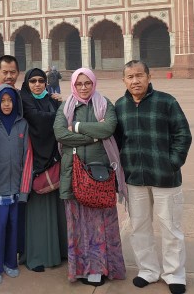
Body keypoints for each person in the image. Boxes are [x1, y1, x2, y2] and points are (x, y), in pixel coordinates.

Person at [114, 60, 192, 294]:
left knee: (170, 226)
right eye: (130, 77)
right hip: (134, 177)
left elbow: (183, 134)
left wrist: (173, 162)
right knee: (139, 226)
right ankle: (147, 270)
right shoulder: (119, 106)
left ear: (149, 77)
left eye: (139, 75)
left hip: (164, 176)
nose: (135, 81)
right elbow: (116, 140)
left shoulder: (166, 102)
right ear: (124, 81)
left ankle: (174, 273)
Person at [54, 67, 127, 286]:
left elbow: (108, 129)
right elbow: (60, 134)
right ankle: (80, 268)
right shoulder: (66, 107)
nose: (84, 87)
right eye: (79, 84)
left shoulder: (104, 104)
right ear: (73, 85)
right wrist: (91, 138)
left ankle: (99, 268)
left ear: (93, 83)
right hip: (73, 172)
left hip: (99, 174)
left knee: (100, 222)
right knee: (78, 223)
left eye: (87, 83)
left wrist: (76, 126)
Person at [19, 68, 67, 273]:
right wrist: (58, 111)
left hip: (53, 161)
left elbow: (61, 121)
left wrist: (60, 105)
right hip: (34, 163)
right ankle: (37, 255)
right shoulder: (24, 101)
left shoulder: (51, 100)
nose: (38, 84)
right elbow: (38, 120)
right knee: (36, 214)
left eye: (41, 81)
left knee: (57, 210)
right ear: (27, 84)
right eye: (33, 81)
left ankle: (59, 251)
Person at [0, 84, 31, 284]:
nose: (6, 104)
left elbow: (28, 156)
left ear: (16, 102)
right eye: (2, 100)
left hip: (16, 187)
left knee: (13, 226)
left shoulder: (22, 125)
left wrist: (24, 189)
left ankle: (10, 262)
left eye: (10, 100)